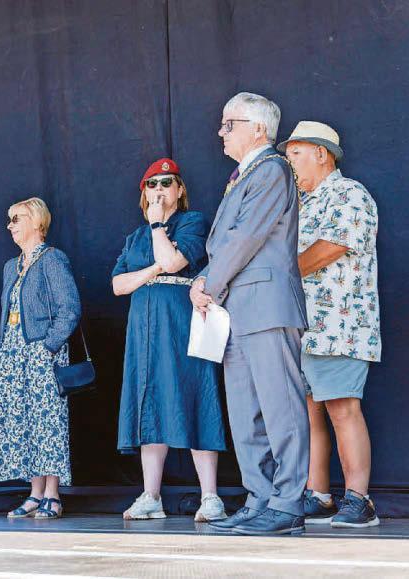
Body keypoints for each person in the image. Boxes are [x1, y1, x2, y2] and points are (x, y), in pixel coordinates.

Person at [190, 92, 308, 535]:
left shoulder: (272, 169)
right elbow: (227, 243)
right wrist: (209, 282)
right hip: (237, 308)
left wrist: (206, 282)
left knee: (281, 408)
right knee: (245, 412)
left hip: (266, 305)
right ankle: (260, 498)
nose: (222, 132)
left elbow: (245, 237)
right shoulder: (244, 175)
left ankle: (288, 502)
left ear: (258, 129)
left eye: (229, 123)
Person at [112, 158, 227, 522]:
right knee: (149, 402)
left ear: (179, 190)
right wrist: (155, 269)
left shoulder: (191, 222)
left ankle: (210, 496)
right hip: (143, 331)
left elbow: (176, 263)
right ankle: (151, 495)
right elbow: (118, 285)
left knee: (194, 395)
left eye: (166, 184)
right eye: (151, 185)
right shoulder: (134, 237)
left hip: (180, 324)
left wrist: (160, 226)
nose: (158, 190)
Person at [279, 121, 381, 528]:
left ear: (322, 153)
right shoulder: (302, 201)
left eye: (295, 155)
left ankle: (360, 500)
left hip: (339, 325)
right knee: (309, 412)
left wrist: (277, 274)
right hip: (303, 328)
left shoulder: (349, 194)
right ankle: (318, 494)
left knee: (342, 408)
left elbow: (329, 249)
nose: (290, 165)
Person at [0, 197, 81, 520]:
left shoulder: (52, 259)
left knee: (46, 421)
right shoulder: (11, 266)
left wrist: (49, 346)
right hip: (12, 352)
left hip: (41, 351)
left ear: (37, 221)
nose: (10, 226)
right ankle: (34, 492)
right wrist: (3, 349)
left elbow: (69, 309)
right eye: (9, 220)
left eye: (17, 219)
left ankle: (52, 494)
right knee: (23, 423)